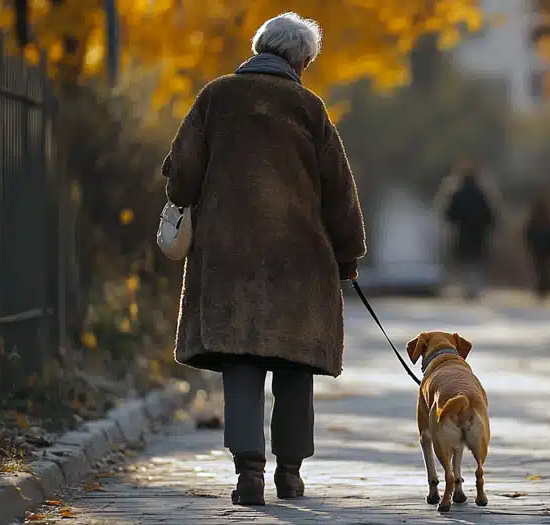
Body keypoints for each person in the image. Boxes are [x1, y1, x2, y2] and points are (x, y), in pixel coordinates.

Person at [161, 12, 366, 507]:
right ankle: (290, 474)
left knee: (243, 364)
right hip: (299, 261)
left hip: (229, 259)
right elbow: (340, 192)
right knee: (293, 366)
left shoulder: (216, 97)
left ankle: (248, 473)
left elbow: (181, 175)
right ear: (299, 60)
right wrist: (347, 255)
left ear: (260, 48)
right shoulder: (310, 109)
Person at [438, 162, 496, 301]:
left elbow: (448, 214)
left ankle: (466, 288)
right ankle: (473, 288)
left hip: (462, 232)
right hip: (478, 233)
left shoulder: (456, 193)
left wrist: (456, 223)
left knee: (464, 261)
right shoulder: (482, 193)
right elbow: (490, 215)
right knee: (475, 262)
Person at [523, 196, 550, 301]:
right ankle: (543, 289)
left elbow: (528, 233)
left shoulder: (538, 220)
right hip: (542, 249)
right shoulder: (545, 220)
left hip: (541, 249)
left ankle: (543, 289)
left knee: (542, 270)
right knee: (543, 270)